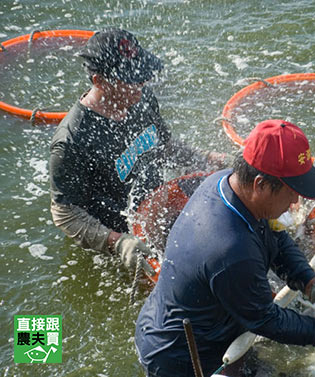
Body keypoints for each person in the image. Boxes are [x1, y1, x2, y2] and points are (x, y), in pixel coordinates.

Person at [135, 120, 315, 377]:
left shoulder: (226, 183)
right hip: (182, 355)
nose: (296, 200)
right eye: (291, 191)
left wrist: (310, 282)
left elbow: (277, 238)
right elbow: (267, 321)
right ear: (260, 184)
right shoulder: (231, 251)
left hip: (209, 324)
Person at [49, 29, 227, 275]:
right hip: (122, 234)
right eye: (130, 79)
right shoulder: (73, 141)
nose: (141, 84)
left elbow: (164, 146)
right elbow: (66, 214)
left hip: (154, 208)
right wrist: (118, 243)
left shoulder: (140, 99)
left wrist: (208, 159)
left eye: (141, 75)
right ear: (99, 81)